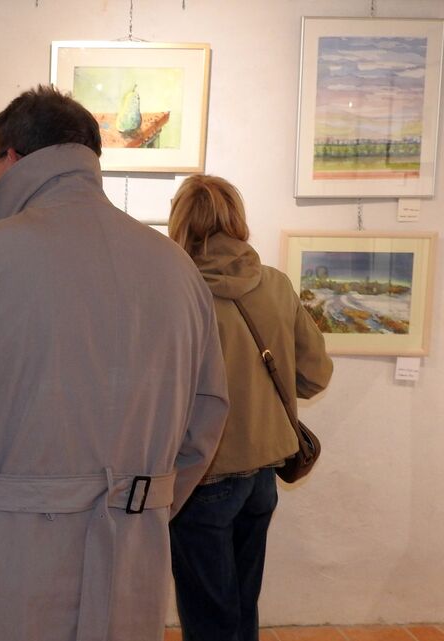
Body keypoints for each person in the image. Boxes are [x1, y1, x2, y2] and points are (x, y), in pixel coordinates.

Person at [0, 85, 231, 641]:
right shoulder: (178, 271)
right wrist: (136, 509)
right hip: (127, 571)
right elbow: (203, 427)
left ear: (11, 157)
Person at [166, 175, 333, 641]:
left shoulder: (177, 291)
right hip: (263, 473)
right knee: (241, 605)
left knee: (208, 613)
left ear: (182, 221)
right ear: (237, 219)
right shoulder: (275, 284)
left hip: (202, 474)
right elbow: (315, 375)